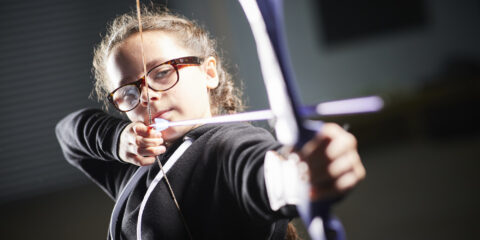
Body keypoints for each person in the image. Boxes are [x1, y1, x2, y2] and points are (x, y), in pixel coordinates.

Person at [55, 6, 365, 240]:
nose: (146, 96)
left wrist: (301, 176)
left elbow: (260, 172)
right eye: (128, 90)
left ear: (209, 72)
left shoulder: (226, 146)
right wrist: (117, 138)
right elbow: (68, 133)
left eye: (162, 72)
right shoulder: (139, 167)